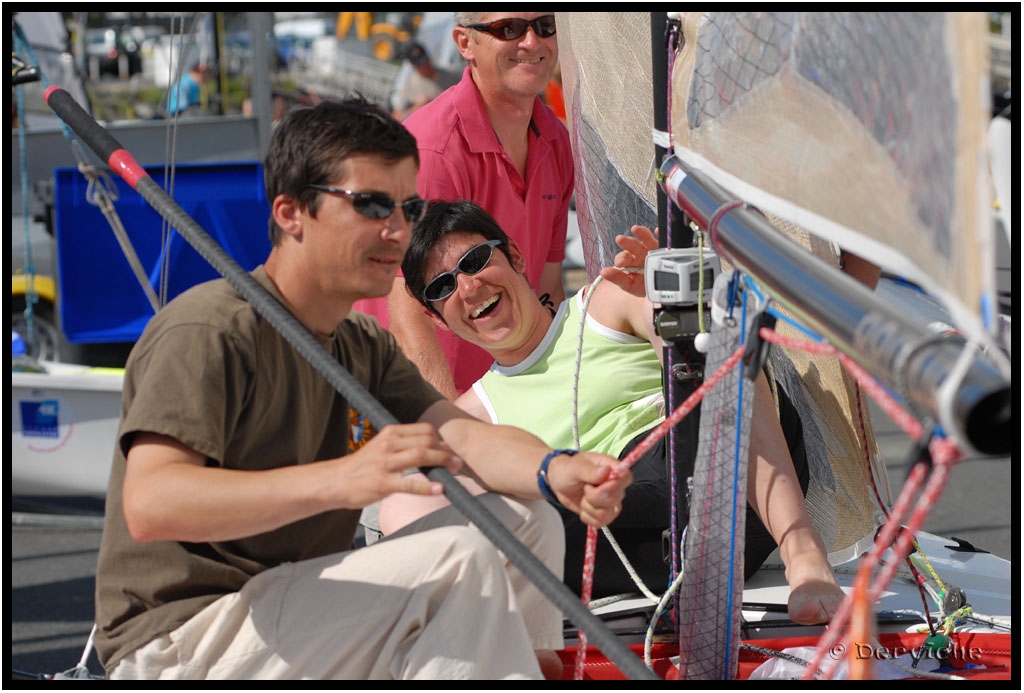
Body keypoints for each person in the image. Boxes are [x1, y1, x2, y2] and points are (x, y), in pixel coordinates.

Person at [92, 98, 631, 681]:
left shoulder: (358, 343)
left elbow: (464, 439)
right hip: (179, 638)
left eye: (409, 206)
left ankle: (526, 668)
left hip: (290, 604)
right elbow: (151, 505)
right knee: (461, 556)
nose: (399, 230)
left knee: (527, 518)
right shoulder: (210, 330)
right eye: (372, 204)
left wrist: (556, 470)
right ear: (292, 212)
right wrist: (345, 479)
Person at [379, 200, 846, 625]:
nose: (467, 286)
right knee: (412, 504)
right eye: (442, 286)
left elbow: (699, 356)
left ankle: (801, 546)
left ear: (516, 258)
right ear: (439, 319)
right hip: (620, 527)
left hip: (716, 473)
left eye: (475, 261)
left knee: (710, 339)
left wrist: (667, 302)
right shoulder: (471, 417)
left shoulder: (603, 303)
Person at [352, 12, 573, 402]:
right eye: (509, 29)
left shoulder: (555, 140)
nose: (532, 42)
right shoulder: (432, 152)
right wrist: (451, 433)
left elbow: (547, 287)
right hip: (414, 405)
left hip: (499, 397)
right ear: (464, 43)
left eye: (545, 25)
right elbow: (406, 315)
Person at [390, 41, 443, 122]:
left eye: (426, 61)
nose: (425, 66)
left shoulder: (450, 75)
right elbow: (397, 118)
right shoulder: (410, 83)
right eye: (420, 65)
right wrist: (418, 107)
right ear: (414, 65)